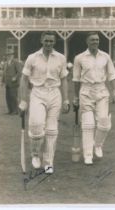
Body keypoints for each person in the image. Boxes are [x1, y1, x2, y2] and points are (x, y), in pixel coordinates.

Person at [19, 31, 70, 174]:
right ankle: (35, 154)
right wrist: (23, 100)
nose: (49, 44)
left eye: (51, 41)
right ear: (42, 41)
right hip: (37, 93)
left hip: (54, 94)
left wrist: (66, 99)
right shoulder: (32, 58)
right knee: (36, 126)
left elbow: (64, 79)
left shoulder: (60, 58)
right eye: (46, 41)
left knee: (52, 130)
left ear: (55, 42)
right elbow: (24, 79)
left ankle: (48, 162)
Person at [73, 31, 115, 165]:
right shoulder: (79, 58)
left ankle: (97, 144)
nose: (95, 42)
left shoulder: (105, 56)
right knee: (88, 125)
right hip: (86, 91)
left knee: (104, 122)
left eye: (97, 40)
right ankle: (88, 155)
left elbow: (112, 75)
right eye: (92, 40)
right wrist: (75, 97)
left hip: (101, 91)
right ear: (87, 42)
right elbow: (76, 79)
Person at [1, 49, 21, 115]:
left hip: (14, 83)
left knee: (13, 97)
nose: (9, 56)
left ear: (13, 55)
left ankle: (15, 111)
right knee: (8, 97)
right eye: (8, 55)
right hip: (7, 83)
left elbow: (19, 72)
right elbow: (4, 73)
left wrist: (15, 77)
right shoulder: (6, 63)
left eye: (10, 54)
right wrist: (2, 81)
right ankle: (10, 110)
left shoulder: (16, 62)